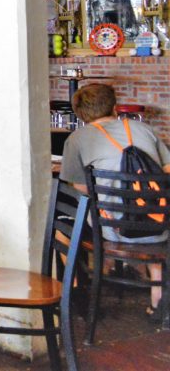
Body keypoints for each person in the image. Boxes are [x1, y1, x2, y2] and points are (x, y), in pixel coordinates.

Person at [60, 83, 170, 314]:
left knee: (60, 223)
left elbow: (81, 185)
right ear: (115, 107)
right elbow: (167, 169)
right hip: (159, 225)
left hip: (115, 230)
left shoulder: (77, 138)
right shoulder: (142, 128)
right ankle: (157, 298)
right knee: (145, 212)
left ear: (80, 114)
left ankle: (79, 289)